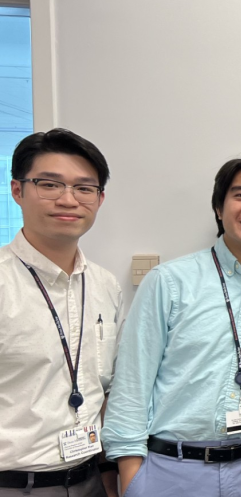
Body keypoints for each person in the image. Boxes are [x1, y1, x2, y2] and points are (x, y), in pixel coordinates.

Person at [103, 151, 241, 497]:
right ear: (219, 207)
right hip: (167, 470)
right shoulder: (169, 282)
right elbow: (132, 382)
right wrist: (133, 477)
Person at [0, 129, 122, 497]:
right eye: (49, 185)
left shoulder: (105, 285)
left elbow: (102, 389)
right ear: (17, 191)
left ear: (99, 199)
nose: (68, 200)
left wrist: (108, 475)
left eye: (84, 188)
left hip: (90, 479)